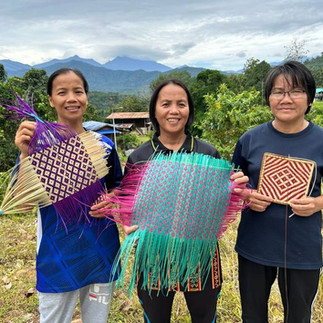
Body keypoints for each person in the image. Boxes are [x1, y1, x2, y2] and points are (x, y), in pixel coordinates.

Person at [122, 78, 248, 323]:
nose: (174, 110)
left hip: (199, 253)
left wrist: (236, 191)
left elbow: (219, 203)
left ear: (189, 110)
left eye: (181, 104)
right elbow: (129, 204)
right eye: (166, 104)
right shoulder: (139, 157)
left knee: (204, 317)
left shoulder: (207, 153)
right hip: (153, 254)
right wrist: (127, 223)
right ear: (154, 111)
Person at [14, 68, 122, 323]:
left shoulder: (102, 146)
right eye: (62, 92)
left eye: (78, 91)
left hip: (100, 251)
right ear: (51, 100)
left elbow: (118, 188)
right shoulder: (36, 145)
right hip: (57, 256)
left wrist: (112, 200)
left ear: (86, 97)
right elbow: (23, 203)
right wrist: (23, 155)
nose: (71, 98)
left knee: (97, 319)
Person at [232, 61, 323, 323]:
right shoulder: (250, 139)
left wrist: (318, 202)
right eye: (278, 91)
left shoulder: (321, 140)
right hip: (254, 245)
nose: (286, 98)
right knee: (252, 316)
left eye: (295, 91)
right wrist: (247, 195)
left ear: (309, 98)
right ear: (269, 98)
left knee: (298, 317)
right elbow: (232, 184)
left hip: (302, 248)